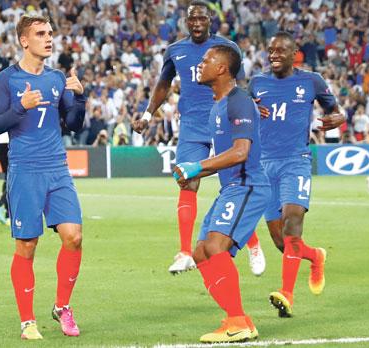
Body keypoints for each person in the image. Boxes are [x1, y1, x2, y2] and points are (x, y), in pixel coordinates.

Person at [132, 0, 265, 275]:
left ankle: (253, 244)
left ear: (209, 21)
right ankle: (183, 252)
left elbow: (238, 86)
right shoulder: (175, 51)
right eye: (192, 19)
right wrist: (147, 116)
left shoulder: (227, 49)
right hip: (192, 124)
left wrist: (251, 104)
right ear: (186, 21)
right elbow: (163, 84)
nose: (196, 23)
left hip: (223, 122)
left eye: (201, 18)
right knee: (186, 180)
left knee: (233, 187)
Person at [0, 14, 86, 340]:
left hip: (57, 168)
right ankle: (27, 321)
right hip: (25, 170)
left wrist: (80, 98)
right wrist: (21, 107)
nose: (48, 38)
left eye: (50, 33)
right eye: (41, 33)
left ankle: (62, 307)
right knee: (27, 245)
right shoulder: (7, 79)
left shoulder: (58, 78)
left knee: (74, 236)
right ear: (23, 40)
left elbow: (73, 124)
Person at [173, 44, 269, 343]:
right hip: (231, 188)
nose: (199, 65)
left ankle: (238, 321)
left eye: (206, 60)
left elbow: (241, 152)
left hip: (248, 185)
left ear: (223, 68)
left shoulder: (238, 100)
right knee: (201, 253)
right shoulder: (218, 105)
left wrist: (196, 166)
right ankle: (237, 319)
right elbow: (225, 157)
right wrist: (194, 173)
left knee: (215, 247)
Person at [248, 31, 345, 318]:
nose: (274, 54)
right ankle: (315, 256)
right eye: (271, 50)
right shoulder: (257, 83)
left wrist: (339, 117)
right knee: (282, 243)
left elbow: (334, 110)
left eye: (281, 50)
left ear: (294, 54)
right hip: (264, 164)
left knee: (293, 220)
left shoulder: (311, 80)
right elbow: (243, 111)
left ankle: (287, 295)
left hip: (296, 160)